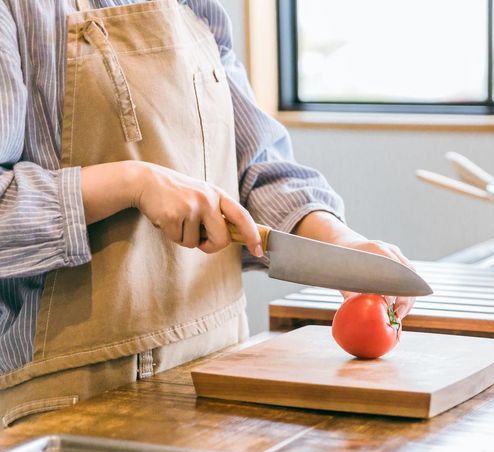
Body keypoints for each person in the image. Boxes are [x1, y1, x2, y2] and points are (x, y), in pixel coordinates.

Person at [0, 0, 414, 425]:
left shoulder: (198, 7)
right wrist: (131, 183)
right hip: (71, 402)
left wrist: (339, 243)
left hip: (221, 378)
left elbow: (253, 165)